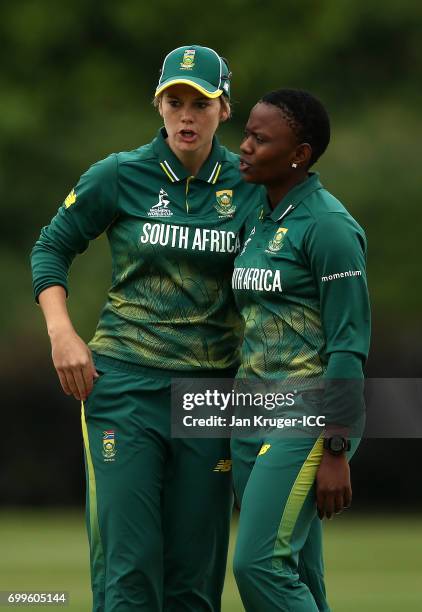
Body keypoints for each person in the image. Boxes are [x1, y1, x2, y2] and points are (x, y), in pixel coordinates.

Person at [30, 45, 263, 612]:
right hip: (123, 387)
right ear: (158, 105)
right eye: (174, 101)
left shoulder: (252, 183)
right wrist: (63, 334)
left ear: (224, 109)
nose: (186, 115)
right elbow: (51, 249)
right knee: (129, 573)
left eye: (200, 103)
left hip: (210, 394)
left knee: (192, 580)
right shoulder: (119, 174)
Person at [231, 89, 371, 611]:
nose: (243, 147)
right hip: (250, 411)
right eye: (245, 132)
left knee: (259, 565)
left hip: (310, 414)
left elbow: (349, 346)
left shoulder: (329, 227)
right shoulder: (260, 216)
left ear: (300, 154)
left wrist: (335, 449)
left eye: (259, 139)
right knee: (300, 576)